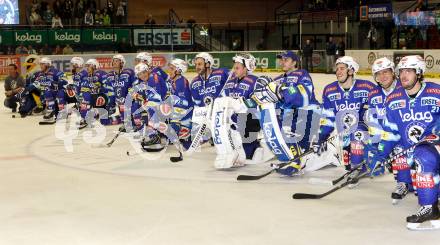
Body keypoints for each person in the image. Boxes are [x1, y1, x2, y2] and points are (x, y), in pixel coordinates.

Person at [368, 56, 440, 226]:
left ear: (419, 73)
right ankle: (429, 202)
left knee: (424, 155)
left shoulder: (436, 92)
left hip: (435, 146)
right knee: (416, 155)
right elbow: (391, 133)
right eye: (401, 71)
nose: (404, 75)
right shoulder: (393, 100)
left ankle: (430, 205)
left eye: (409, 71)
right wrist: (380, 155)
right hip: (415, 151)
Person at [252, 50, 338, 175]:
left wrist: (282, 91)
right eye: (281, 60)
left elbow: (304, 95)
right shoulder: (277, 79)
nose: (282, 62)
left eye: (286, 60)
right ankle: (295, 157)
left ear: (294, 62)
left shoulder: (301, 74)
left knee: (295, 140)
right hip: (289, 117)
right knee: (275, 131)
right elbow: (270, 98)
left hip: (307, 114)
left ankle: (299, 159)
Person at [318, 56, 375, 187]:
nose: (338, 71)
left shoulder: (366, 87)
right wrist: (322, 137)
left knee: (357, 134)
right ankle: (359, 164)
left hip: (365, 130)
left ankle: (365, 160)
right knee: (348, 165)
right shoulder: (329, 90)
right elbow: (328, 117)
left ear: (351, 70)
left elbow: (380, 108)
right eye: (337, 69)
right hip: (344, 133)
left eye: (342, 68)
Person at [78, 59, 114, 128]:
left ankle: (122, 118)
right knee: (84, 97)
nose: (87, 68)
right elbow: (83, 90)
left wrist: (100, 85)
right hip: (96, 101)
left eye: (89, 66)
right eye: (86, 66)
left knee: (104, 121)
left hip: (105, 100)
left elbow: (109, 87)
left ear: (94, 66)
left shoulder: (101, 73)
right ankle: (89, 116)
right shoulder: (86, 77)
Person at [167, 58, 194, 151]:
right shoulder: (172, 81)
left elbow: (183, 103)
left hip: (187, 113)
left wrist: (175, 119)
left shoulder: (181, 82)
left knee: (186, 144)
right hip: (179, 111)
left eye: (171, 68)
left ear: (179, 70)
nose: (169, 71)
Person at [34, 57, 68, 122]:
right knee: (46, 92)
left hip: (58, 93)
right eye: (40, 64)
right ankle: (50, 111)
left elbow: (65, 80)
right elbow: (36, 84)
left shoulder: (55, 71)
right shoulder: (40, 74)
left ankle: (62, 112)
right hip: (47, 96)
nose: (40, 66)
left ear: (47, 64)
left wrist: (56, 83)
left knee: (57, 92)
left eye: (42, 64)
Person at [107, 54, 136, 124]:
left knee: (135, 120)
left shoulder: (129, 72)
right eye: (113, 61)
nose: (114, 62)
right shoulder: (109, 75)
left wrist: (130, 96)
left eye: (116, 61)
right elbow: (109, 90)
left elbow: (135, 84)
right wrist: (111, 102)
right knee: (111, 121)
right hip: (117, 102)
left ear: (122, 63)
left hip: (130, 100)